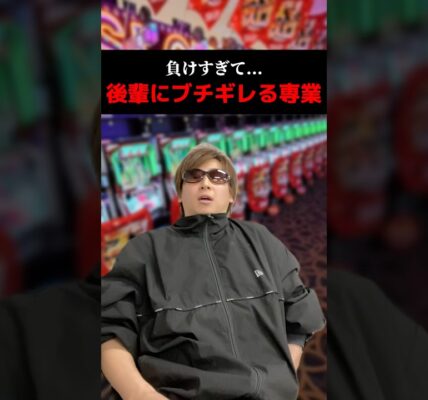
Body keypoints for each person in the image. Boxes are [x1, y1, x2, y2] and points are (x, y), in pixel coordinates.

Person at [101, 143, 326, 400]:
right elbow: (108, 327)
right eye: (194, 176)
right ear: (179, 194)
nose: (205, 183)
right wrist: (139, 394)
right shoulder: (144, 249)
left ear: (231, 195)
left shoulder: (260, 239)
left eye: (217, 177)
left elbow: (300, 311)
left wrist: (282, 374)